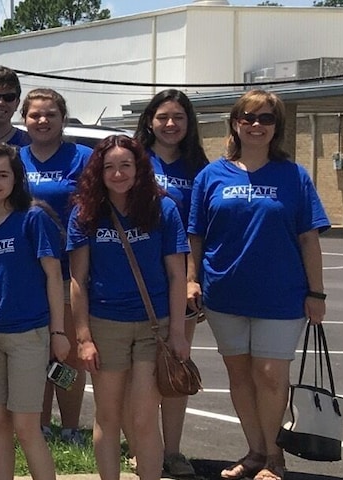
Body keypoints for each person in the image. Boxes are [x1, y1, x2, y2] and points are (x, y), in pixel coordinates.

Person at [189, 90, 328, 480]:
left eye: (266, 119)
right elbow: (195, 235)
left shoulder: (294, 176)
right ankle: (253, 451)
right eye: (248, 118)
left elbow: (308, 238)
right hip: (224, 292)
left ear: (276, 127)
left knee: (270, 374)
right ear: (235, 123)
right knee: (239, 375)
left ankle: (274, 457)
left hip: (281, 294)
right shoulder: (211, 176)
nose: (256, 125)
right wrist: (190, 281)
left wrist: (316, 292)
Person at [67, 135, 188, 480]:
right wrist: (84, 337)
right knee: (107, 415)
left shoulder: (163, 208)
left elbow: (177, 276)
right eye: (109, 167)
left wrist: (178, 332)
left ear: (138, 168)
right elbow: (78, 280)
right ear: (98, 172)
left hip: (154, 326)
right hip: (106, 325)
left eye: (125, 165)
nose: (118, 173)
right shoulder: (85, 213)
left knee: (143, 417)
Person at [0, 144, 65, 480]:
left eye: (2, 175)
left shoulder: (32, 217)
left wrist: (58, 332)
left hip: (29, 335)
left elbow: (54, 277)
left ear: (16, 179)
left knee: (26, 426)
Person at [133, 89, 211, 478]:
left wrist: (193, 279)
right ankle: (141, 446)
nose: (170, 124)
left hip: (180, 280)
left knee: (174, 366)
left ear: (188, 123)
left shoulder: (199, 167)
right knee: (138, 373)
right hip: (134, 278)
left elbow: (199, 231)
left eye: (178, 117)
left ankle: (174, 452)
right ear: (149, 121)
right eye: (163, 116)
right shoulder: (133, 161)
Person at [19, 88, 93, 444]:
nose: (42, 121)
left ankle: (70, 426)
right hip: (26, 271)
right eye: (35, 115)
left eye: (50, 114)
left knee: (65, 353)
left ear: (63, 118)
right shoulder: (14, 159)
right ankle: (42, 423)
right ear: (25, 120)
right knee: (37, 352)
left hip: (68, 271)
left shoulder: (83, 158)